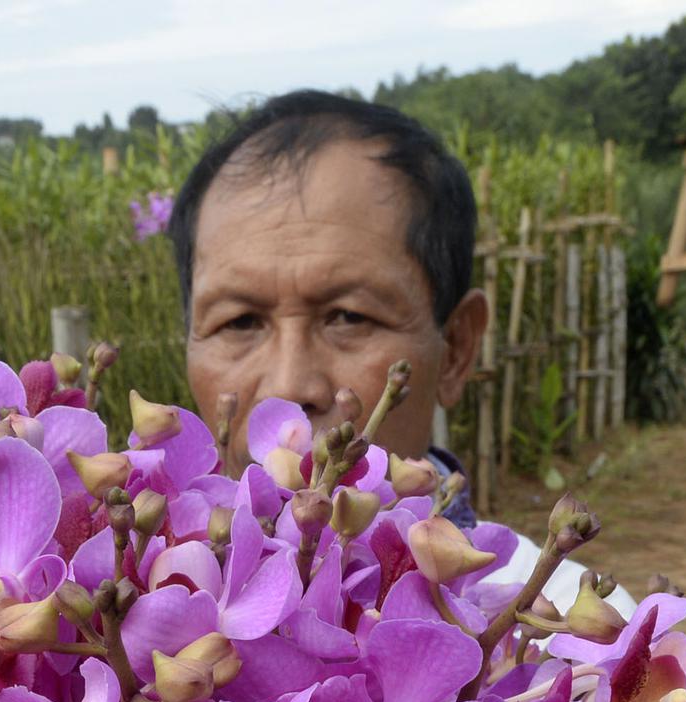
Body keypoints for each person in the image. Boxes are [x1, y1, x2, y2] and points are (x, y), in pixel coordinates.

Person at [167, 89, 633, 617]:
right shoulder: (137, 609)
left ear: (456, 349)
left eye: (349, 316)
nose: (288, 386)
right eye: (239, 322)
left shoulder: (557, 641)